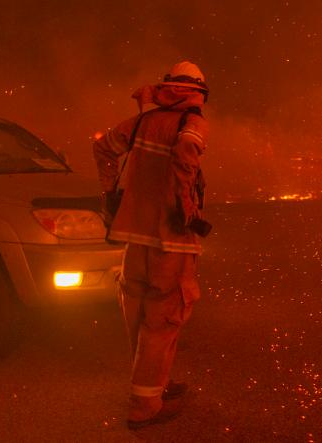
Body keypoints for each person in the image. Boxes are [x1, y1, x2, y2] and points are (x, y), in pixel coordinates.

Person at [93, 61, 210, 429]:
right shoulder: (191, 123)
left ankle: (155, 384)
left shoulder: (141, 122)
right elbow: (186, 152)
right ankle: (145, 406)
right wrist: (185, 207)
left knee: (139, 315)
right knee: (164, 318)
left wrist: (110, 193)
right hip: (169, 242)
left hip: (135, 238)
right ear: (197, 93)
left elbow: (103, 148)